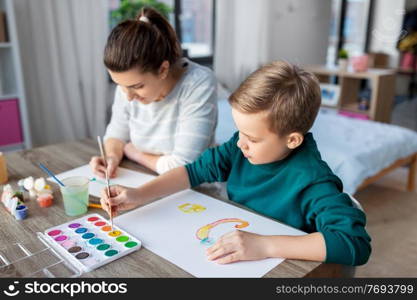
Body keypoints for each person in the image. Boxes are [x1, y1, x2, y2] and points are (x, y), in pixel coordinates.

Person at [99, 61, 371, 266]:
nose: (240, 143)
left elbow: (354, 244)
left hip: (282, 265)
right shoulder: (241, 148)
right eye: (240, 132)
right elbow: (194, 171)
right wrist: (138, 194)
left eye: (251, 138)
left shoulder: (312, 180)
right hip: (240, 243)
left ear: (292, 140)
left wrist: (265, 246)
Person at [90, 7, 217, 177]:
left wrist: (135, 153)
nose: (128, 97)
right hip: (142, 175)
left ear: (163, 69)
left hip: (195, 188)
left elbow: (185, 167)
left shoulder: (198, 83)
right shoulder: (127, 85)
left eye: (137, 87)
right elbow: (116, 135)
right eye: (119, 85)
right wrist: (112, 156)